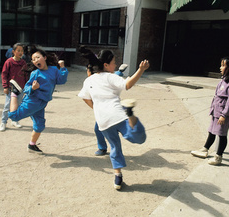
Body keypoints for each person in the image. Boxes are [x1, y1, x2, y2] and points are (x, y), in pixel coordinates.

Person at [78, 49, 149, 190]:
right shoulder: (110, 77)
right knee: (138, 138)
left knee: (115, 147)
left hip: (103, 121)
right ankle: (131, 114)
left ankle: (118, 177)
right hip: (118, 115)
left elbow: (85, 97)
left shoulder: (89, 80)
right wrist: (141, 70)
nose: (115, 65)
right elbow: (128, 84)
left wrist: (96, 109)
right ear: (105, 65)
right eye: (114, 63)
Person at [8, 48, 68, 153]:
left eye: (37, 57)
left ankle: (31, 145)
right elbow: (27, 87)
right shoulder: (35, 73)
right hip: (33, 101)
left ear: (44, 58)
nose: (36, 60)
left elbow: (61, 80)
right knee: (14, 116)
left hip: (42, 103)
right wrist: (33, 88)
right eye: (33, 59)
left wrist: (62, 67)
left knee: (39, 125)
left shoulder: (54, 70)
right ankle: (14, 92)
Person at [191, 56, 229, 165]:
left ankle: (218, 157)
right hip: (216, 111)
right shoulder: (223, 79)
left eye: (223, 65)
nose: (220, 67)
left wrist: (224, 115)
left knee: (221, 134)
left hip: (223, 113)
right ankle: (205, 148)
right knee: (211, 131)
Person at [0, 43, 28, 132]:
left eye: (22, 51)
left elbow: (26, 75)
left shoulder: (23, 63)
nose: (20, 52)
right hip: (11, 89)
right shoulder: (9, 62)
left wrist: (26, 87)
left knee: (18, 106)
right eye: (18, 50)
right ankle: (3, 122)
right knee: (7, 106)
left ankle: (15, 120)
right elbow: (4, 74)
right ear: (13, 51)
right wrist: (5, 86)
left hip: (21, 88)